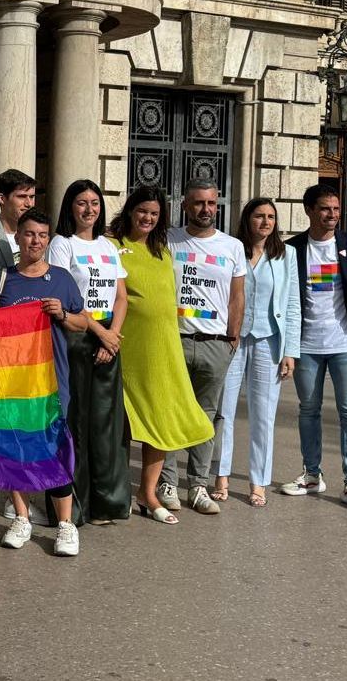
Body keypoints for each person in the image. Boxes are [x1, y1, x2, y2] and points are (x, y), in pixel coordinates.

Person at [108, 187, 212, 526]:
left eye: (154, 213)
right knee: (122, 423)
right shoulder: (112, 246)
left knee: (162, 417)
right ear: (130, 210)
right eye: (142, 211)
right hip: (128, 347)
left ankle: (148, 492)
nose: (148, 218)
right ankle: (117, 491)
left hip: (163, 347)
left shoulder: (162, 251)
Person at [0, 208, 90, 557]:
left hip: (53, 379)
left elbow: (83, 323)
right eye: (30, 234)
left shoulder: (62, 279)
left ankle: (65, 525)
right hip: (14, 381)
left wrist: (62, 314)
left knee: (55, 447)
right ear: (17, 237)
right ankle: (21, 516)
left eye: (42, 236)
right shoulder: (3, 278)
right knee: (17, 447)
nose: (36, 241)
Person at [281, 184, 347, 513]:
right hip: (306, 345)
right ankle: (311, 474)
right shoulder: (291, 249)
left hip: (345, 344)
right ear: (309, 210)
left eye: (336, 209)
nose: (332, 215)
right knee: (308, 410)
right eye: (325, 209)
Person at [46, 180, 130, 525]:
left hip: (108, 337)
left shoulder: (109, 246)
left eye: (95, 202)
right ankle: (72, 509)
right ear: (70, 207)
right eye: (82, 202)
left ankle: (107, 503)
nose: (89, 209)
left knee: (106, 424)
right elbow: (65, 301)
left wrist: (113, 335)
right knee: (75, 423)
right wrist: (100, 333)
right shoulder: (61, 245)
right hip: (77, 336)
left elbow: (121, 296)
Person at [160, 180, 246, 516]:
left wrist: (232, 337)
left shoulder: (232, 247)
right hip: (175, 341)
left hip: (215, 345)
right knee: (169, 413)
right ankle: (167, 482)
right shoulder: (168, 240)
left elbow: (237, 295)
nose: (205, 209)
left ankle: (197, 484)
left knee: (206, 418)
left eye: (211, 203)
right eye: (198, 203)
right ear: (185, 205)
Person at [210, 198, 301, 508]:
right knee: (224, 412)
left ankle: (258, 480)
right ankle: (220, 475)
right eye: (260, 216)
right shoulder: (232, 249)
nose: (266, 222)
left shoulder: (287, 255)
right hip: (233, 338)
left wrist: (290, 350)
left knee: (264, 414)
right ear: (247, 219)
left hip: (268, 340)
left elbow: (292, 305)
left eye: (271, 217)